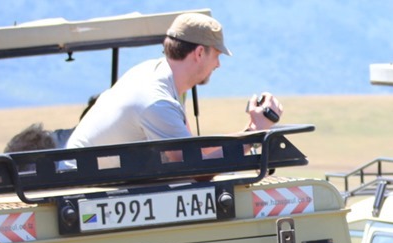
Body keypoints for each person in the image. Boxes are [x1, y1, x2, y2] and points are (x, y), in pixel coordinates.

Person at [64, 13, 282, 149]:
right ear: (198, 53)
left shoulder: (155, 74)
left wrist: (252, 130)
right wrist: (255, 132)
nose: (218, 65)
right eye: (216, 55)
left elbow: (193, 152)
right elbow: (197, 170)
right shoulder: (157, 101)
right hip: (78, 189)